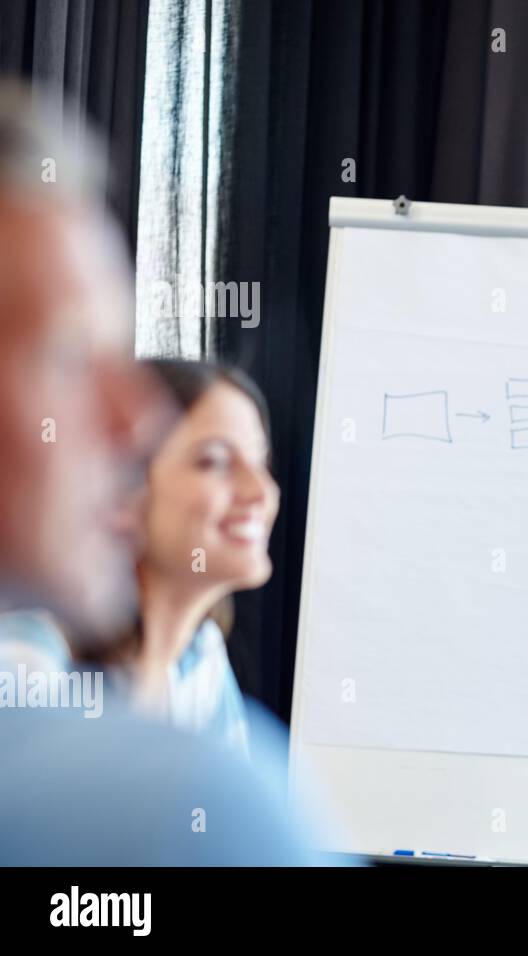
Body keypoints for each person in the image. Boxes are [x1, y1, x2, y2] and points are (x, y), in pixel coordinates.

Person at [0, 81, 321, 864]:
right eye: (71, 353)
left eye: (263, 464)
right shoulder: (175, 789)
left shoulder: (200, 674)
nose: (132, 425)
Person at [0, 359, 280, 756]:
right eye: (214, 461)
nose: (260, 491)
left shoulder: (199, 661)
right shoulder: (28, 665)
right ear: (121, 487)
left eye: (261, 461)